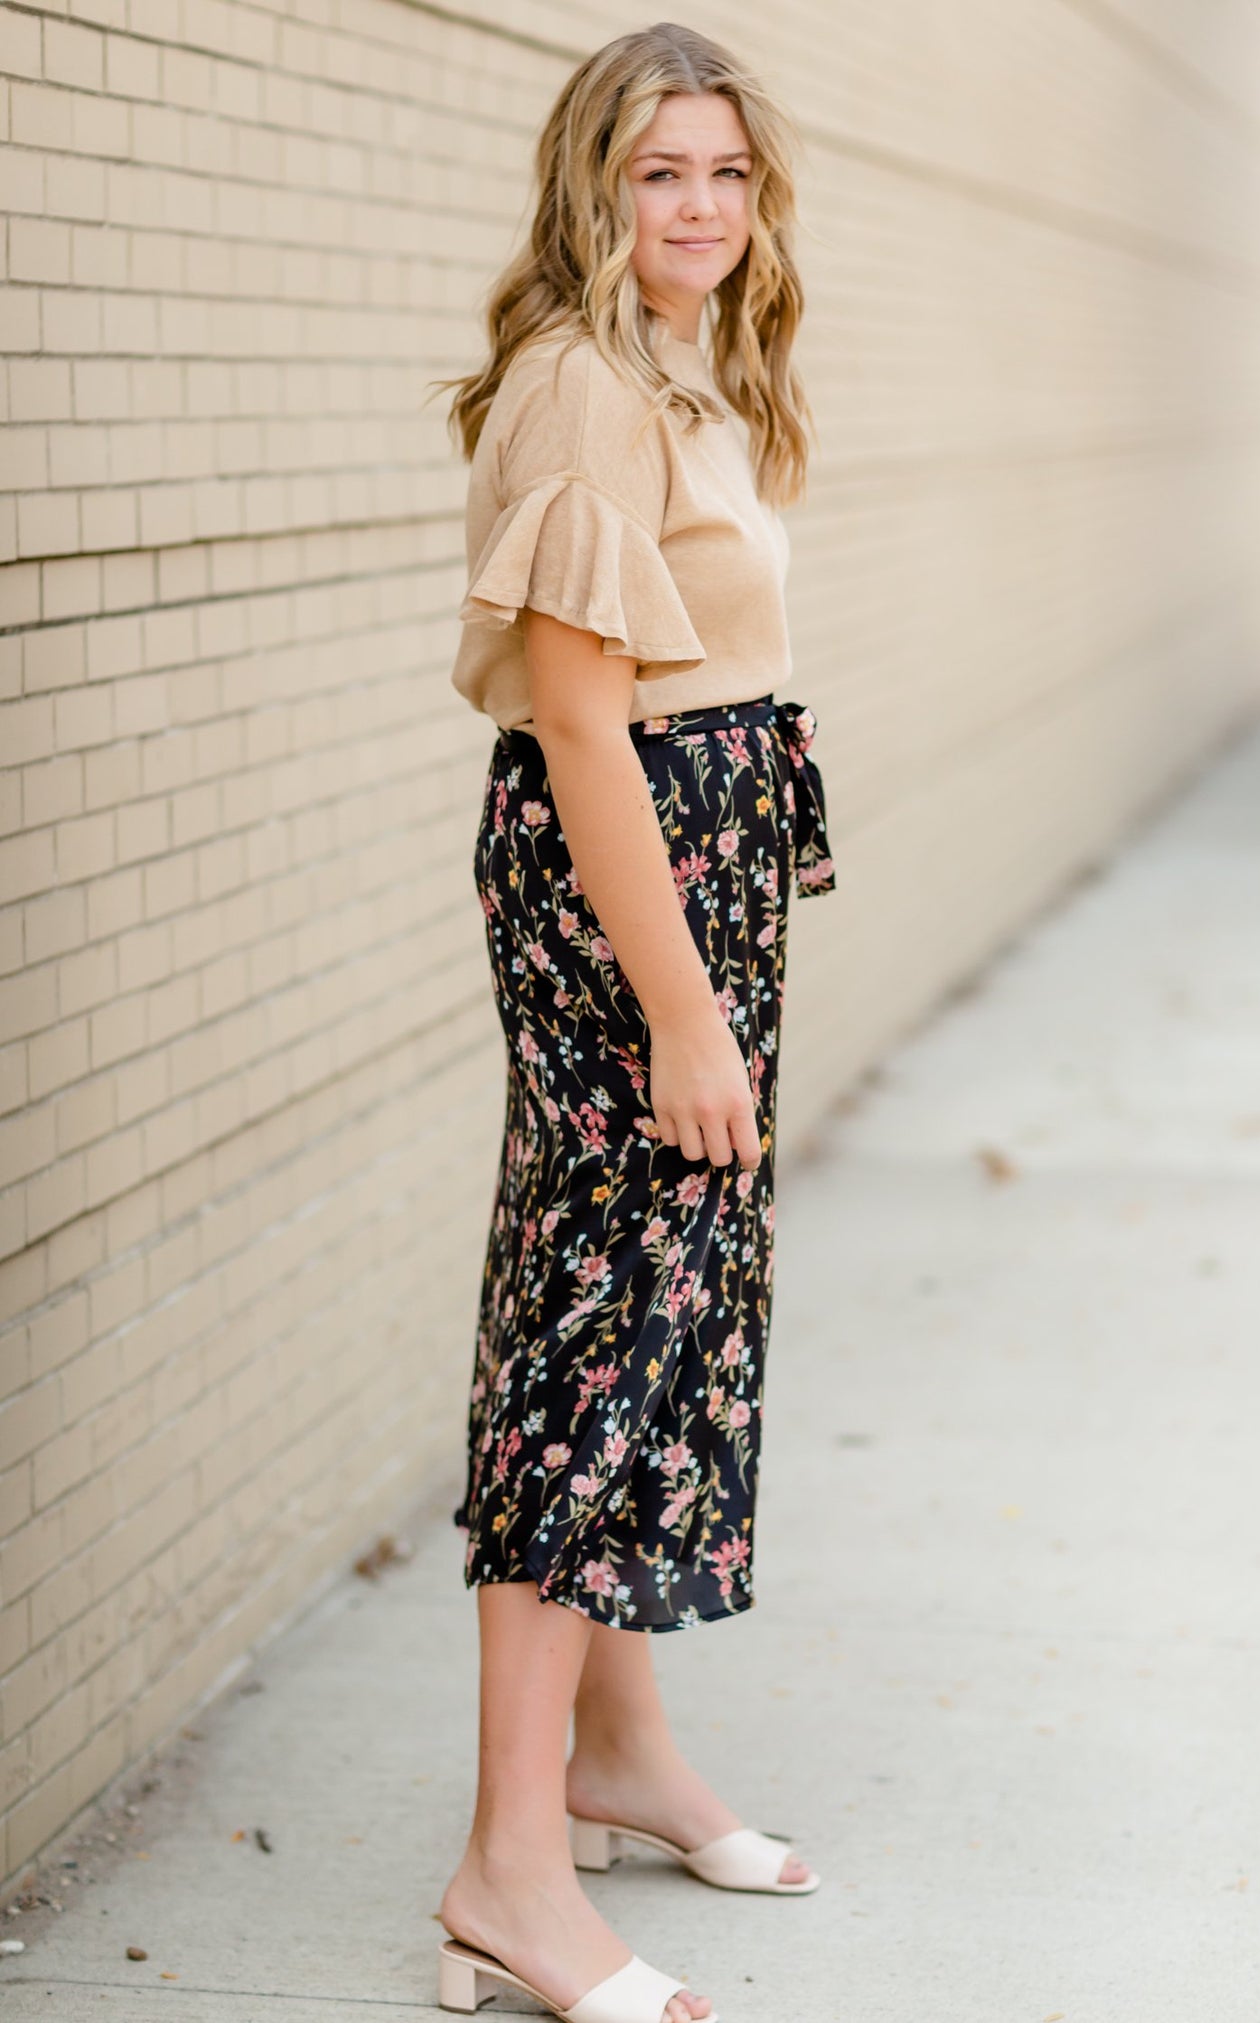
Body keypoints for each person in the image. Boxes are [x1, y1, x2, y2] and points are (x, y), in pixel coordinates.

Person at [426, 24, 836, 2022]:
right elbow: (583, 722)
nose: (700, 208)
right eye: (663, 172)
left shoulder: (688, 371)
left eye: (730, 175)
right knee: (593, 1342)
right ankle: (511, 1869)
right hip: (628, 903)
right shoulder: (581, 388)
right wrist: (681, 1013)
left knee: (655, 1313)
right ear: (595, 184)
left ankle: (619, 1757)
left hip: (694, 877)